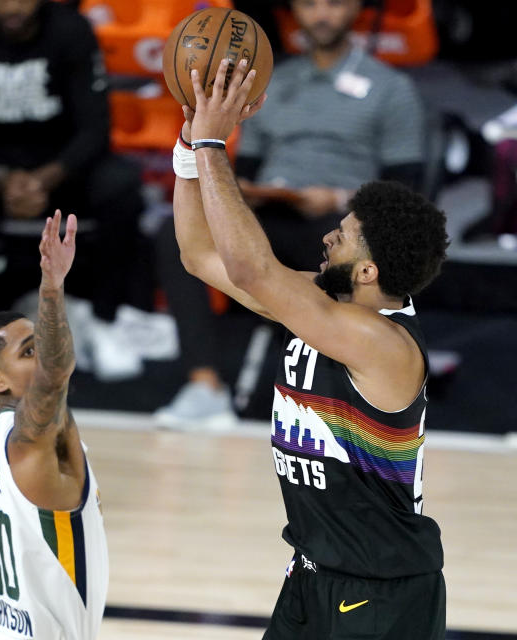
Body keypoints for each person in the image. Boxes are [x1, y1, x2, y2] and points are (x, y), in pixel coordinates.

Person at [174, 58, 447, 638]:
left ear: (369, 270)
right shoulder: (321, 308)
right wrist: (185, 150)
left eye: (342, 236)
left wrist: (212, 142)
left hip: (380, 595)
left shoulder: (382, 344)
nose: (328, 236)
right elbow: (199, 254)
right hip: (311, 576)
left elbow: (251, 267)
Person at [154, 0, 427, 428]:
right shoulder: (269, 79)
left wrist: (338, 198)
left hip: (339, 221)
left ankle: (344, 389)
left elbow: (406, 194)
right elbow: (233, 184)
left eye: (332, 4)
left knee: (269, 263)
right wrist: (195, 142)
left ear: (355, 9)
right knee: (176, 237)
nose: (322, 14)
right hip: (273, 210)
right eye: (310, 3)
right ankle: (204, 385)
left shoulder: (392, 88)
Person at [0, 0, 144, 322]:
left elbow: (96, 129)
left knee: (119, 184)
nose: (12, 7)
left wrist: (41, 180)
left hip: (59, 170)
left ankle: (107, 318)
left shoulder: (71, 28)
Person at [0, 210, 108, 639]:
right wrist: (52, 288)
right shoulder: (31, 443)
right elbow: (55, 374)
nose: (43, 355)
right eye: (29, 351)